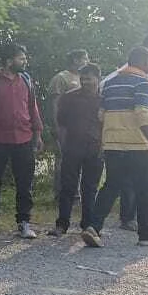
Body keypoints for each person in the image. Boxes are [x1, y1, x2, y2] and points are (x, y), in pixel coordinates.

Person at [87, 46, 148, 246]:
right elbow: (142, 114)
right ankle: (146, 235)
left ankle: (93, 227)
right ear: (145, 62)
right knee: (146, 189)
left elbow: (100, 115)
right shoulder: (142, 82)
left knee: (111, 186)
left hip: (113, 144)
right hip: (137, 144)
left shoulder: (110, 82)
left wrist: (102, 143)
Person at [0, 44, 43, 240]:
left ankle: (24, 223)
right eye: (21, 58)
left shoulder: (27, 80)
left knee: (25, 183)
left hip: (24, 137)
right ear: (9, 60)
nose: (25, 61)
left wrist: (38, 134)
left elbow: (33, 108)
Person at [108, 33, 148, 231]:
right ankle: (128, 218)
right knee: (129, 179)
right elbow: (105, 86)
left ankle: (147, 218)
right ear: (145, 50)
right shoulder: (127, 71)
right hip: (135, 133)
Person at [50, 64, 103, 247]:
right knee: (68, 187)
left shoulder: (105, 100)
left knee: (90, 188)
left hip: (96, 149)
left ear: (98, 78)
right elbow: (61, 121)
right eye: (83, 78)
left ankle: (88, 226)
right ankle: (62, 224)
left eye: (89, 78)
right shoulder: (69, 98)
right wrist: (63, 144)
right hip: (72, 147)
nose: (86, 82)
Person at [47, 49, 89, 198]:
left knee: (80, 158)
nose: (87, 61)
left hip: (82, 128)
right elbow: (55, 103)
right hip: (65, 126)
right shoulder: (61, 77)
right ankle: (61, 193)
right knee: (63, 158)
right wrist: (57, 126)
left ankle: (77, 193)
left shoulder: (84, 78)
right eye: (84, 59)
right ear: (76, 60)